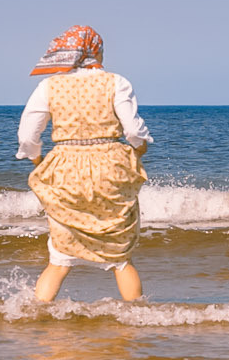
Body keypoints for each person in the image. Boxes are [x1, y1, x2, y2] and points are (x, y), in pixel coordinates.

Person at [16, 24, 151, 302]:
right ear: (97, 52)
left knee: (59, 257)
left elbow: (28, 135)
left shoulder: (49, 85)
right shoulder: (116, 82)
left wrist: (38, 160)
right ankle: (137, 320)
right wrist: (139, 151)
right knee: (121, 257)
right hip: (110, 166)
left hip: (64, 168)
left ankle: (37, 316)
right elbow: (134, 132)